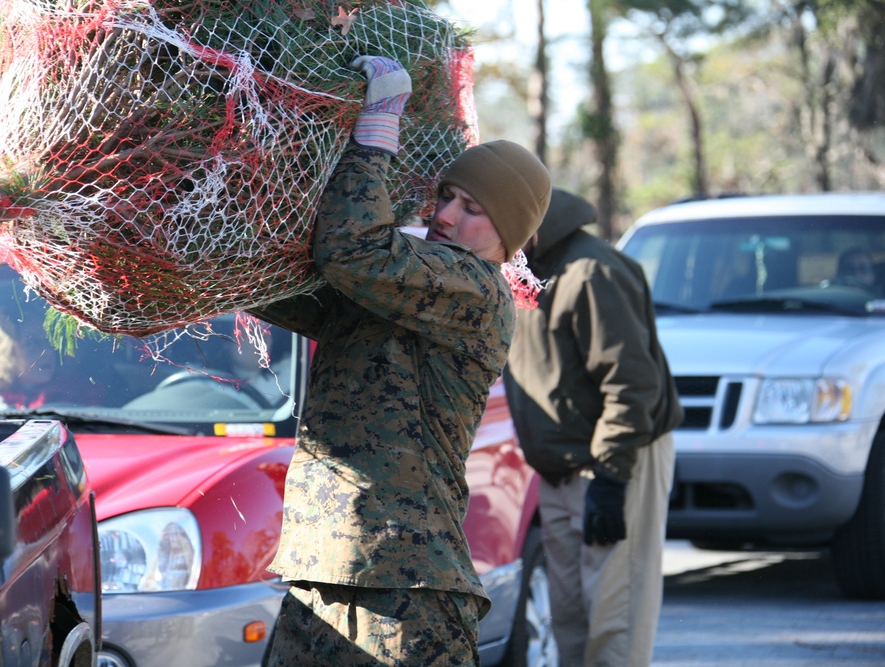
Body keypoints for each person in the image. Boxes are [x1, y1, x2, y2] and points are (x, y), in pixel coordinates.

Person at [251, 55, 551, 666]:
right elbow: (289, 292)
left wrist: (377, 131)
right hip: (325, 566)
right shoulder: (404, 287)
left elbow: (352, 252)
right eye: (445, 196)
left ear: (506, 233)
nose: (444, 215)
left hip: (407, 588)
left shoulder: (475, 289)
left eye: (472, 208)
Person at [503, 189, 684, 667]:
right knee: (570, 625)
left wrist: (611, 477)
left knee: (615, 624)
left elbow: (631, 383)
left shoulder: (592, 271)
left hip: (615, 462)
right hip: (560, 470)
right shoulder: (523, 270)